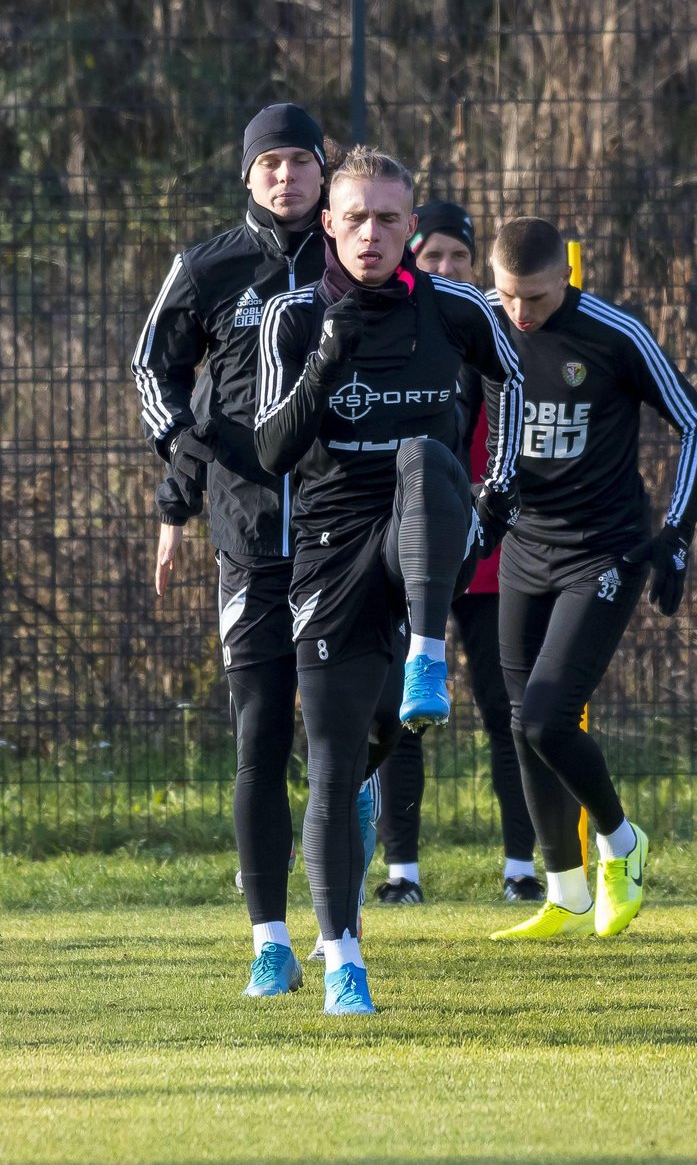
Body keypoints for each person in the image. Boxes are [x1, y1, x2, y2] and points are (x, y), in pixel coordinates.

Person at [254, 148, 523, 1014]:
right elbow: (269, 449)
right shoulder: (295, 317)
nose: (372, 233)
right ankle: (343, 965)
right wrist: (326, 362)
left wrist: (498, 494)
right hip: (332, 548)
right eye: (356, 217)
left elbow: (513, 382)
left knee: (422, 459)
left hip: (425, 535)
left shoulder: (457, 309)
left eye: (389, 218)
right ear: (328, 224)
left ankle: (425, 657)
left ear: (415, 229)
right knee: (339, 765)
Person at [132, 102, 378, 999]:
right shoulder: (206, 267)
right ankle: (271, 942)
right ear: (247, 175)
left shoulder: (353, 256)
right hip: (248, 535)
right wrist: (187, 464)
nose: (285, 177)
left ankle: (344, 922)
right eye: (268, 163)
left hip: (346, 533)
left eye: (300, 162)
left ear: (324, 172)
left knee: (349, 744)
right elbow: (151, 372)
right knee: (261, 736)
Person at [485, 217, 697, 943]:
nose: (521, 313)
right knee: (522, 726)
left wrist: (675, 535)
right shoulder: (481, 323)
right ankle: (566, 893)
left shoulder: (615, 333)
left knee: (550, 717)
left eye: (536, 297)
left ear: (565, 279)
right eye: (508, 296)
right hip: (524, 548)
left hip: (604, 552)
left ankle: (623, 843)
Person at [375, 201, 542, 905]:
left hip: (491, 557)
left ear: (478, 266)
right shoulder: (399, 332)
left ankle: (521, 866)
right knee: (401, 709)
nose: (446, 268)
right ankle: (401, 872)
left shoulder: (497, 335)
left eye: (458, 257)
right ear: (413, 257)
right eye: (433, 255)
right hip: (411, 554)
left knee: (509, 712)